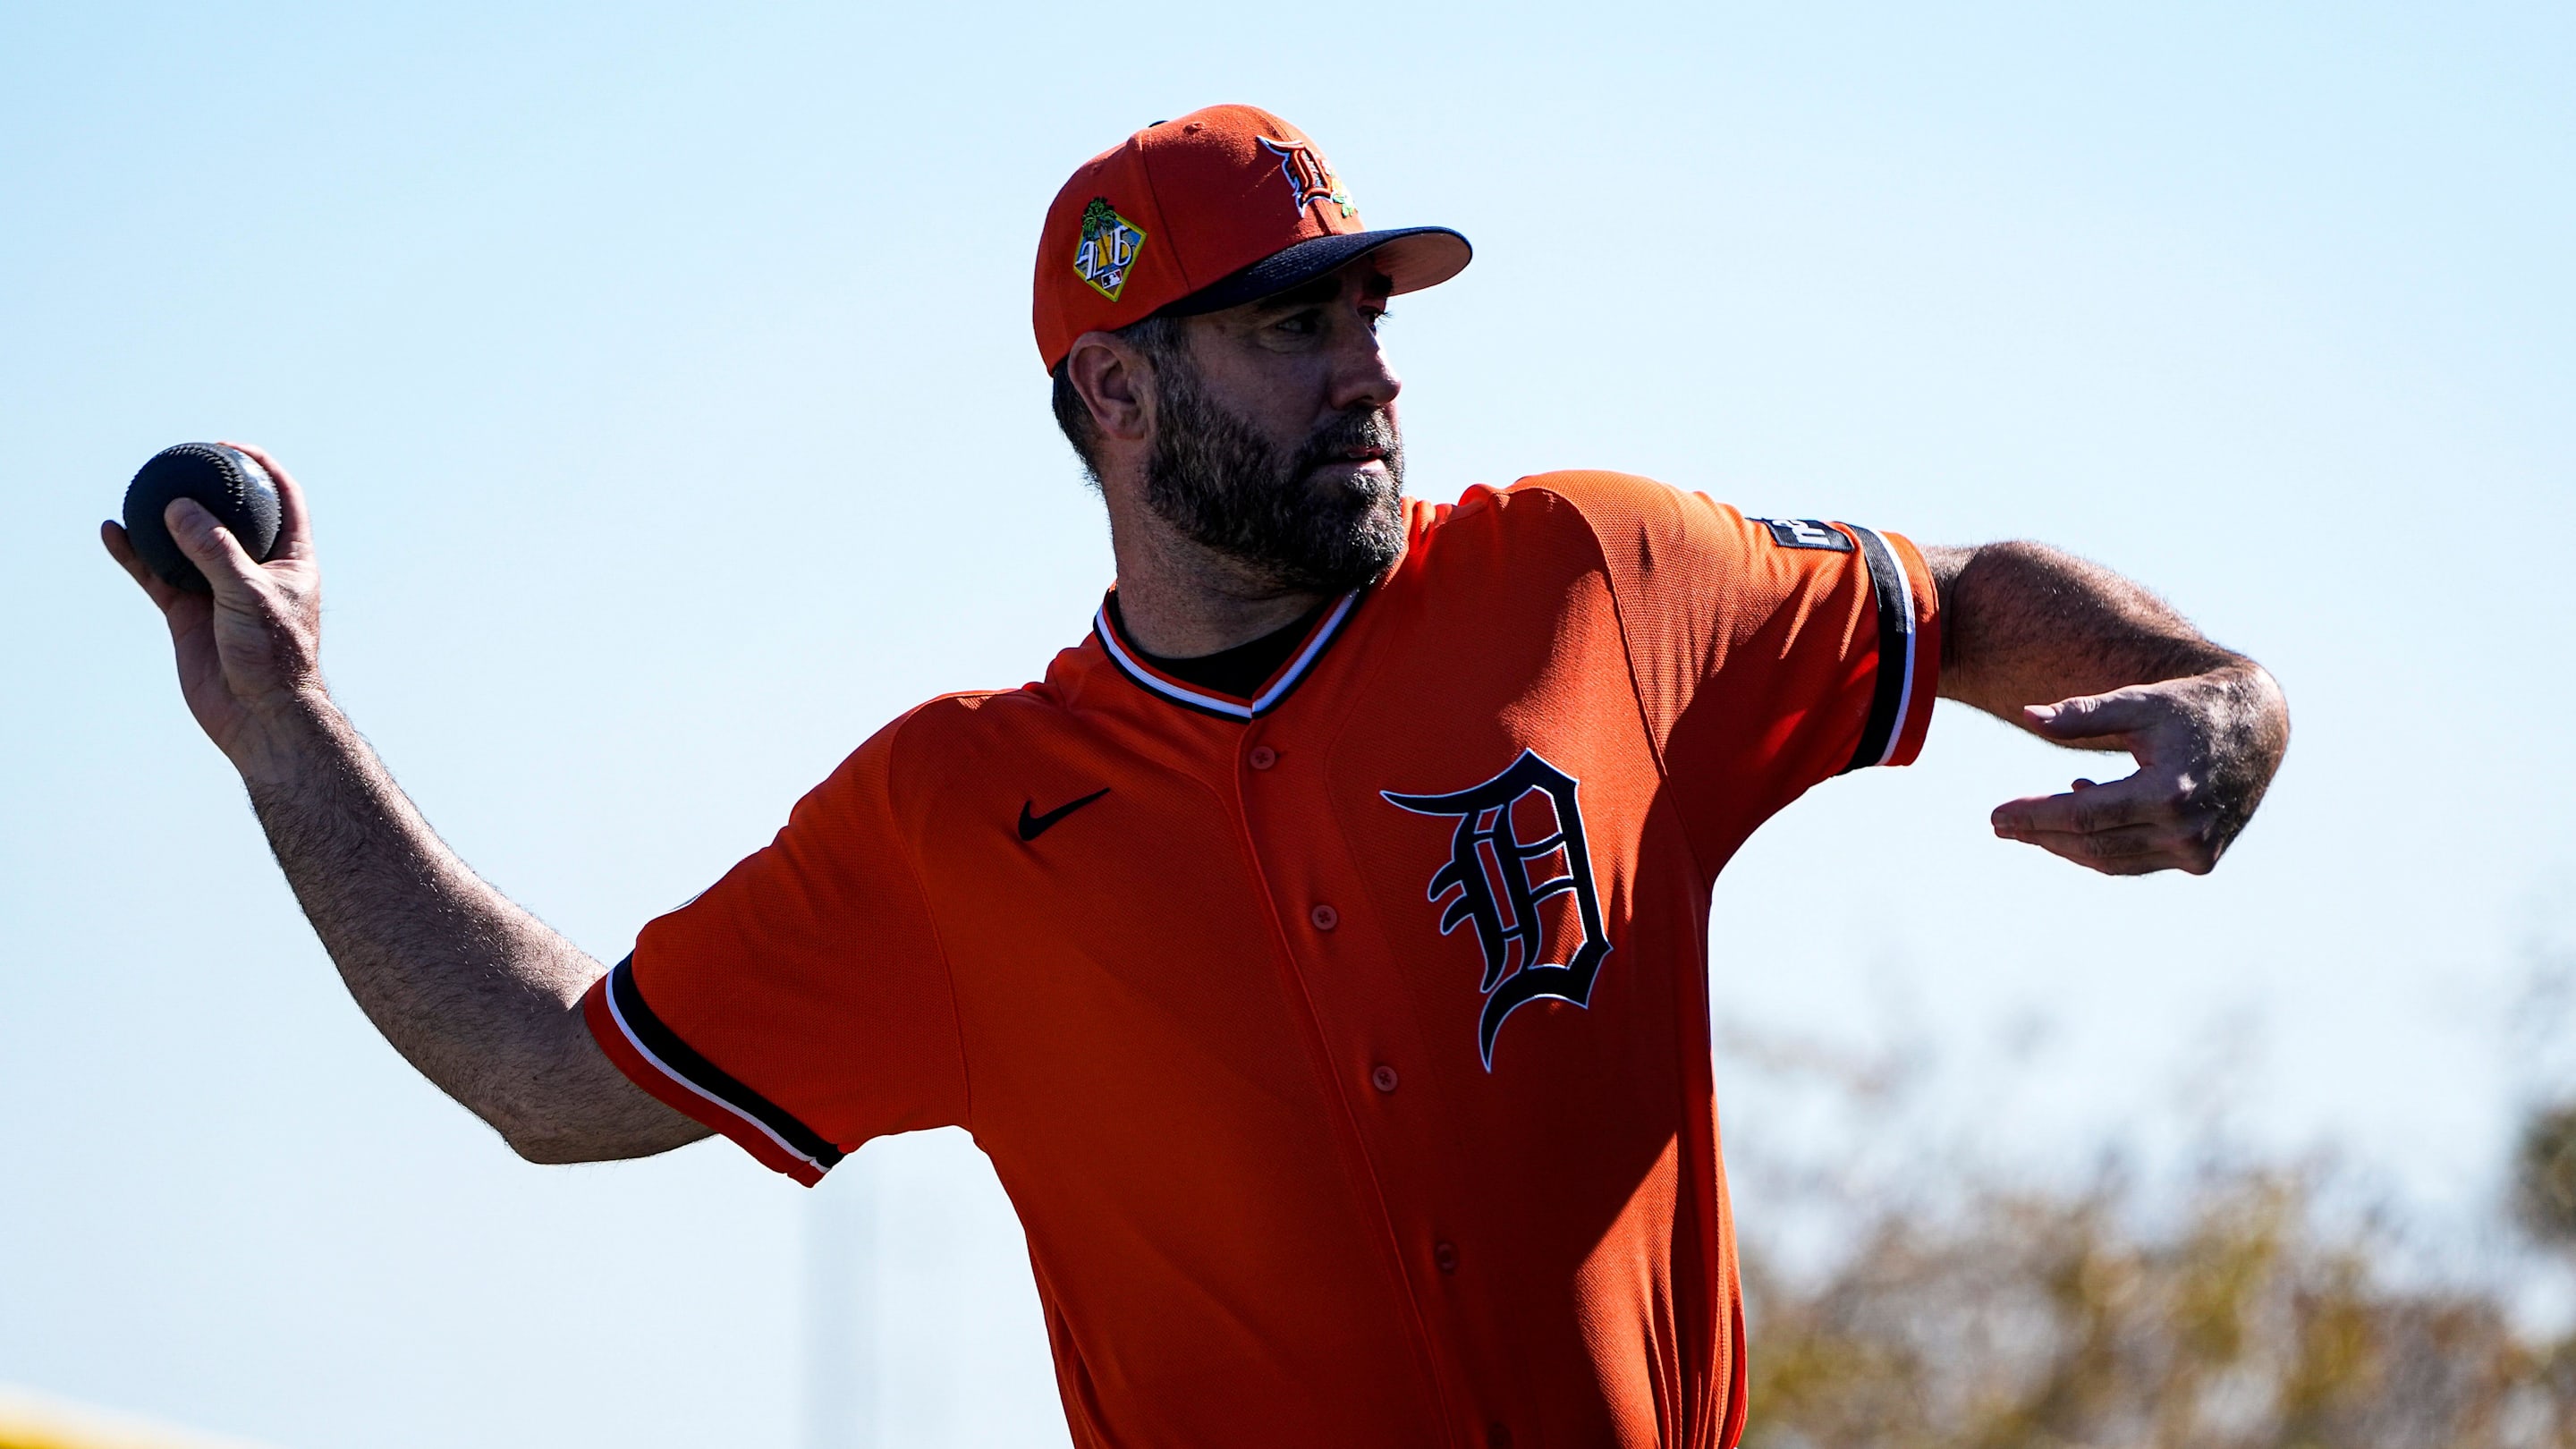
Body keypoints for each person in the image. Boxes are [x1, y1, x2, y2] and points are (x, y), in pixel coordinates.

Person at [104, 105, 2289, 1449]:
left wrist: (2212, 688)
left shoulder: (1595, 580)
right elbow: (544, 1071)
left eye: (1372, 313)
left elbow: (1961, 597)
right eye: (1291, 325)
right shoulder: (954, 822)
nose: (1370, 370)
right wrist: (286, 732)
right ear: (1119, 396)